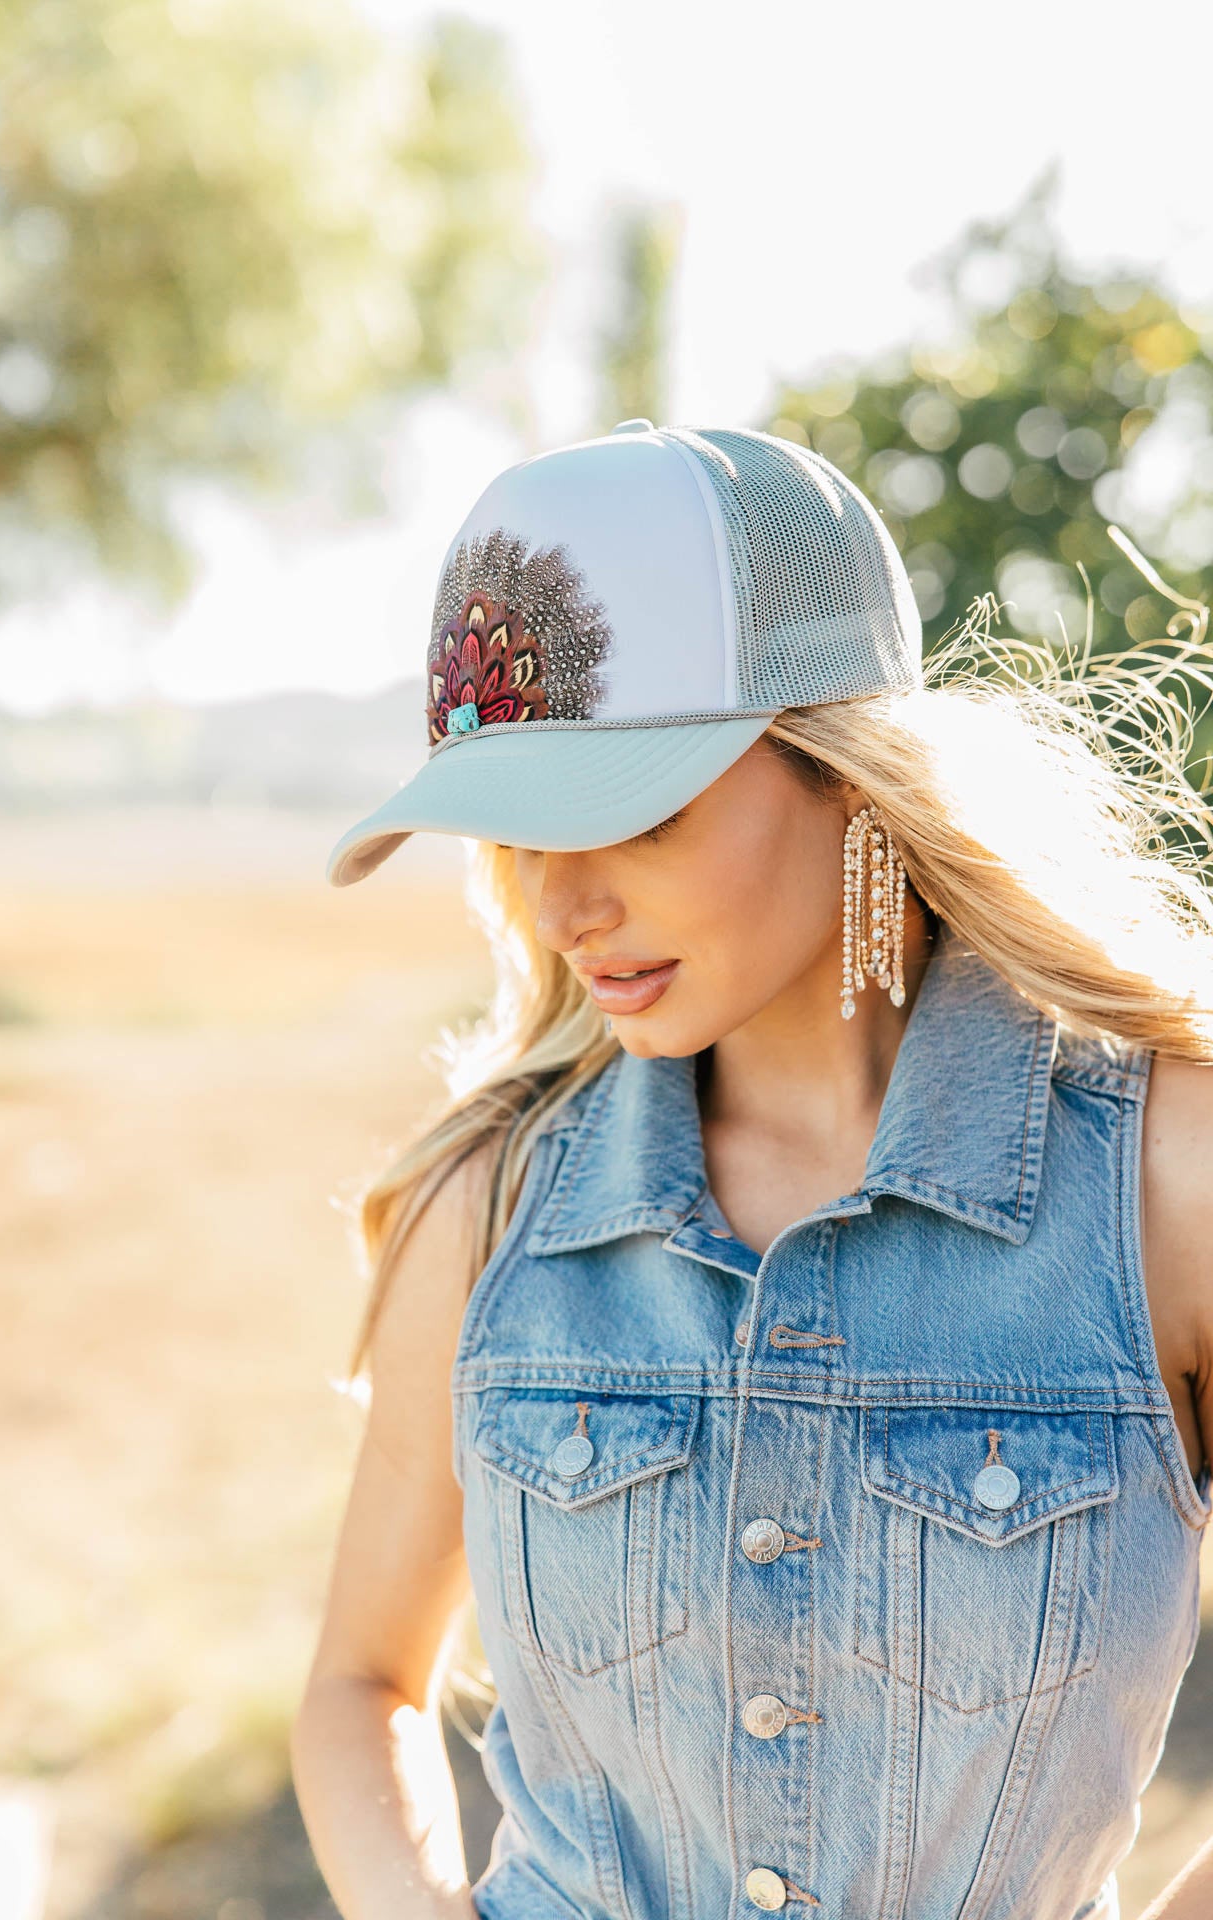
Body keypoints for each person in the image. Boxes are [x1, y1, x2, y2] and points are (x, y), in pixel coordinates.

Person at [288, 420, 1213, 1920]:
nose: (565, 902)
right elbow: (358, 1684)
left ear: (845, 773)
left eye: (636, 814)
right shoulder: (492, 1204)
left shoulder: (1167, 1182)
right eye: (518, 830)